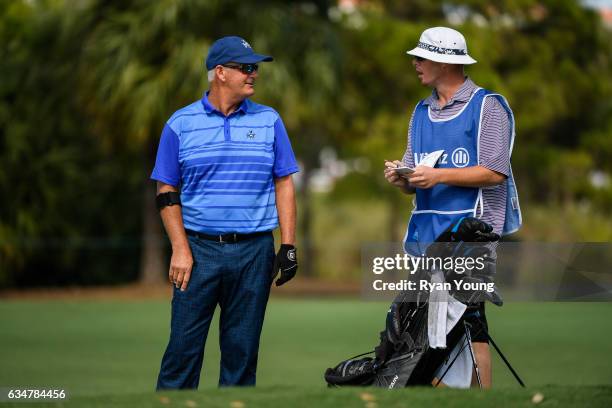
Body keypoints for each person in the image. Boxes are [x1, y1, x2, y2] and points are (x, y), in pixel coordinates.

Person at [151, 36, 299, 389]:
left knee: (241, 355)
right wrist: (180, 248)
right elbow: (166, 190)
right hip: (199, 252)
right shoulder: (180, 124)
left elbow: (284, 184)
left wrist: (288, 246)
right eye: (245, 68)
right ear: (220, 72)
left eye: (255, 68)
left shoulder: (269, 120)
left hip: (254, 253)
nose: (254, 74)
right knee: (182, 353)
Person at [384, 27, 521, 388]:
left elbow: (494, 172)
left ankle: (482, 396)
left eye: (421, 57)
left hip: (471, 234)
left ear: (445, 62)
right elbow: (418, 174)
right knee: (424, 326)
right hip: (426, 236)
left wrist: (438, 176)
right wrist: (404, 179)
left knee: (470, 320)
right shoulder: (420, 111)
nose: (414, 64)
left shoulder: (488, 106)